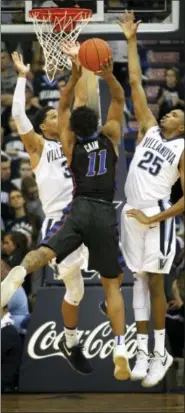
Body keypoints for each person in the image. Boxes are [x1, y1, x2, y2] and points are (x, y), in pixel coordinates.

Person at [2, 47, 130, 381]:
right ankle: (24, 280)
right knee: (78, 288)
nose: (62, 118)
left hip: (87, 212)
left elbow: (82, 104)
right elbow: (18, 116)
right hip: (64, 217)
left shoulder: (75, 142)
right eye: (55, 118)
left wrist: (83, 67)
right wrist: (21, 78)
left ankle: (71, 340)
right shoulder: (41, 147)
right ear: (44, 126)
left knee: (82, 290)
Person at [118, 11, 184, 388]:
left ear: (183, 126)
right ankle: (143, 350)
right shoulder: (149, 129)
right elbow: (134, 85)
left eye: (174, 112)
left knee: (156, 283)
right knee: (138, 282)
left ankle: (161, 353)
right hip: (131, 214)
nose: (167, 113)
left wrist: (155, 220)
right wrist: (129, 39)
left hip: (156, 216)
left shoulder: (183, 147)